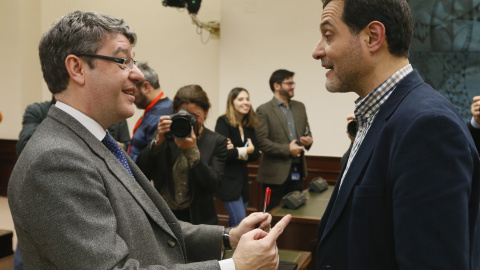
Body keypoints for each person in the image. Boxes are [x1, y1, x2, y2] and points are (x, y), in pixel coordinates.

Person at [8, 10, 291, 269]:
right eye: (123, 61)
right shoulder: (56, 160)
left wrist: (230, 235)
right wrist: (233, 266)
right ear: (78, 68)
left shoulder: (94, 141)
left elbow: (158, 229)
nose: (139, 73)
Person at [312, 0, 480, 269]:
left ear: (373, 36)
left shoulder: (427, 126)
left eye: (328, 35)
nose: (317, 50)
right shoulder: (377, 115)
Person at [13, 95, 130, 270]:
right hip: (45, 201)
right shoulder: (37, 111)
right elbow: (26, 146)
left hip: (101, 197)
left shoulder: (114, 117)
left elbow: (122, 152)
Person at [137, 84, 226, 225]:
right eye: (184, 116)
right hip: (166, 217)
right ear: (175, 113)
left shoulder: (216, 141)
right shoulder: (166, 136)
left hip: (199, 220)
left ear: (206, 112)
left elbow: (213, 185)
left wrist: (191, 151)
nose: (190, 122)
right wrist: (157, 141)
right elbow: (141, 171)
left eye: (195, 116)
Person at [255, 69, 314, 211]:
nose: (293, 86)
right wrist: (288, 149)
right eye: (289, 83)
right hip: (274, 175)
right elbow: (262, 142)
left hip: (298, 170)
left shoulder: (300, 107)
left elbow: (307, 132)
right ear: (276, 86)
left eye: (293, 83)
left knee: (296, 212)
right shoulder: (264, 110)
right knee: (271, 215)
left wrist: (308, 141)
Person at [215, 87, 261, 227]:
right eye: (240, 99)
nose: (245, 102)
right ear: (232, 102)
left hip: (243, 184)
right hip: (228, 184)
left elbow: (255, 154)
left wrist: (238, 151)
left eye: (247, 99)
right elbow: (224, 153)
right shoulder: (223, 122)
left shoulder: (249, 125)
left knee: (235, 224)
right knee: (241, 223)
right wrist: (246, 149)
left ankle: (229, 249)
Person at [126, 62, 173, 161]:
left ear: (146, 87)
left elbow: (151, 159)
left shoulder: (161, 116)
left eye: (132, 91)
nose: (132, 97)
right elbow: (142, 146)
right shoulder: (157, 110)